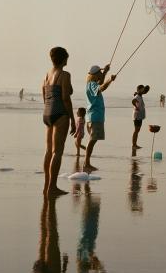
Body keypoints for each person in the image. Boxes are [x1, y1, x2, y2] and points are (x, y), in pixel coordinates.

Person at [42, 46, 75, 197]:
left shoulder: (47, 74)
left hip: (47, 113)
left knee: (49, 151)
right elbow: (66, 98)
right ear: (63, 59)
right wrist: (73, 119)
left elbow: (44, 94)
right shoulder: (65, 74)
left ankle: (46, 186)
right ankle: (52, 187)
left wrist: (49, 109)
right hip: (60, 113)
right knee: (58, 152)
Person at [83, 64, 116, 173]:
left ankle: (86, 163)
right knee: (92, 140)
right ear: (95, 74)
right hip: (95, 116)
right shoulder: (92, 84)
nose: (101, 73)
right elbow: (101, 87)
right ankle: (86, 163)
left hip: (92, 116)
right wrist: (110, 80)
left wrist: (105, 72)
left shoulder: (91, 83)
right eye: (100, 72)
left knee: (93, 140)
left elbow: (100, 82)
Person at [132, 84, 149, 150]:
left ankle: (135, 144)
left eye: (143, 89)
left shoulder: (139, 95)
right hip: (137, 116)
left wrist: (146, 88)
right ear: (139, 89)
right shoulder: (137, 96)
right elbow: (133, 101)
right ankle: (134, 145)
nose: (143, 90)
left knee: (137, 130)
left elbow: (145, 91)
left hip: (139, 116)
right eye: (142, 89)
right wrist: (136, 107)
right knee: (136, 130)